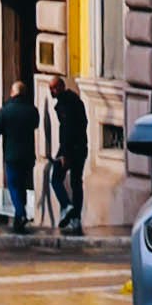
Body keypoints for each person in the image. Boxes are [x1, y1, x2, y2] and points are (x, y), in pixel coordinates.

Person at [0, 74, 41, 233]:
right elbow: (36, 124)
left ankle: (20, 213)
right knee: (22, 185)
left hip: (12, 156)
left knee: (14, 186)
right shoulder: (32, 111)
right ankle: (19, 215)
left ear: (12, 93)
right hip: (28, 156)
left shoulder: (4, 112)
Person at [47, 71, 90, 234]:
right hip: (81, 147)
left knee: (56, 178)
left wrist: (65, 153)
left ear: (61, 87)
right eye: (50, 88)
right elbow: (84, 123)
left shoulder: (64, 105)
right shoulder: (76, 101)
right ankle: (76, 219)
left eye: (53, 88)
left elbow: (67, 129)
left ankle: (67, 206)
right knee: (76, 182)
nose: (51, 92)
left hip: (70, 149)